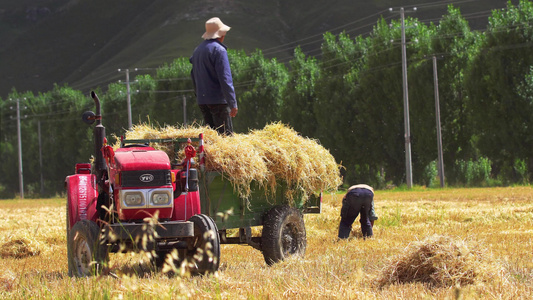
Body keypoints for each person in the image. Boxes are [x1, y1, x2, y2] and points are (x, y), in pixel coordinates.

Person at [190, 17, 238, 135]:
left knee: (211, 140)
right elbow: (225, 79)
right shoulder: (219, 50)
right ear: (221, 34)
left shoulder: (197, 51)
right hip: (218, 101)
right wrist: (233, 103)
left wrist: (199, 96)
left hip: (203, 101)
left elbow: (193, 76)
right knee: (225, 139)